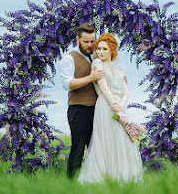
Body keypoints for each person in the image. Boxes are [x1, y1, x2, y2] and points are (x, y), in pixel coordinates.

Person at [78, 33, 143, 183]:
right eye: (98, 48)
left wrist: (122, 105)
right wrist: (116, 108)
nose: (100, 52)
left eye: (104, 49)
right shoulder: (97, 64)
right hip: (106, 105)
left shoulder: (119, 67)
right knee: (106, 140)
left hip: (120, 105)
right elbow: (104, 88)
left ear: (112, 49)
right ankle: (103, 176)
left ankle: (121, 177)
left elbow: (126, 89)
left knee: (122, 140)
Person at [59, 23, 105, 178]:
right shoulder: (68, 58)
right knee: (78, 149)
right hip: (78, 110)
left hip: (97, 110)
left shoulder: (96, 55)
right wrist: (91, 78)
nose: (90, 45)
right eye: (86, 42)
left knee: (97, 149)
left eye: (93, 41)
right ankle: (72, 185)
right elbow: (68, 84)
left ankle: (94, 182)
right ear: (77, 39)